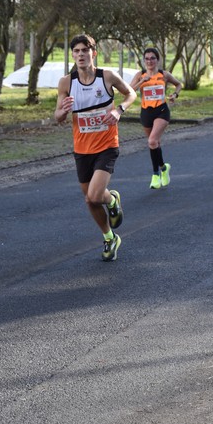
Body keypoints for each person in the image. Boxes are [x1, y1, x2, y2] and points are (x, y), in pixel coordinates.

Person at [55, 34, 137, 261]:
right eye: (76, 52)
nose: (80, 55)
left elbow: (131, 93)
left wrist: (118, 111)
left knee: (94, 194)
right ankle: (110, 238)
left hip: (107, 145)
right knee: (90, 200)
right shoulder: (66, 83)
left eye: (84, 50)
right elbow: (58, 116)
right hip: (82, 149)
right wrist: (63, 110)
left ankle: (111, 200)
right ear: (72, 55)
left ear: (94, 53)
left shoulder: (107, 77)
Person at [130, 47, 182, 189]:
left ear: (157, 60)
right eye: (146, 58)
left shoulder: (164, 74)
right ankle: (164, 168)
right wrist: (142, 81)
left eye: (152, 58)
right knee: (155, 143)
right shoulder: (140, 75)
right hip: (146, 112)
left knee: (152, 141)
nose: (149, 61)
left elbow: (179, 84)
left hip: (162, 111)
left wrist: (175, 95)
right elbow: (128, 91)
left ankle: (155, 175)